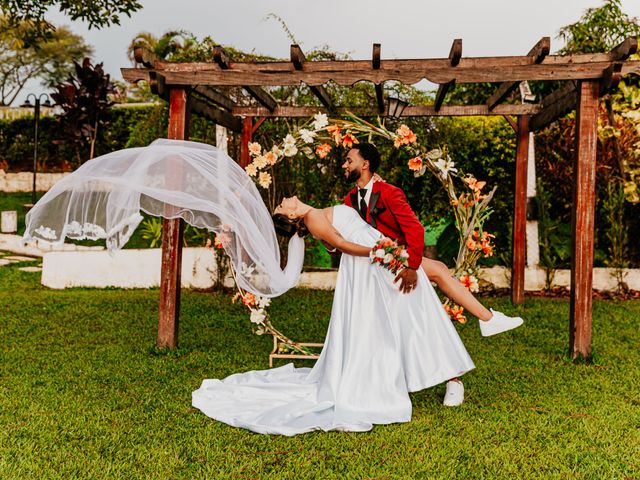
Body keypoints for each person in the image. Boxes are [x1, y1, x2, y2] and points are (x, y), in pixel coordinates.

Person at [192, 196, 475, 435]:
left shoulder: (318, 214)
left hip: (376, 262)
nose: (284, 200)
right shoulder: (313, 217)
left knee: (420, 296)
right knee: (413, 309)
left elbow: (338, 236)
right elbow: (342, 244)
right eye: (282, 205)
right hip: (374, 264)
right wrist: (380, 252)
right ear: (292, 213)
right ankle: (450, 373)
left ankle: (452, 370)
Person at [340, 143, 523, 405]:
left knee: (426, 313)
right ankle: (486, 319)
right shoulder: (349, 201)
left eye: (349, 160)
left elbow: (415, 230)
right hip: (370, 273)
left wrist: (412, 267)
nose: (344, 165)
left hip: (398, 265)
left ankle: (456, 375)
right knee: (433, 280)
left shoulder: (389, 192)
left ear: (365, 164)